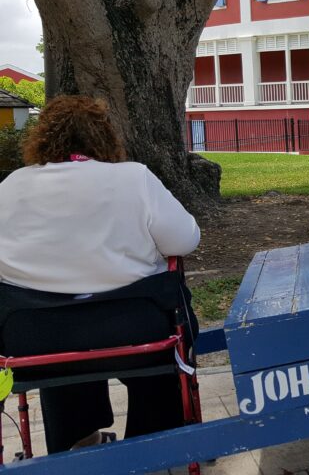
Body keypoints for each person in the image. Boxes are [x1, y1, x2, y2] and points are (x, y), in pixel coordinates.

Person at [0, 96, 200, 453]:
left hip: (35, 340)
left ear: (43, 138)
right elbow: (184, 240)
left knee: (64, 354)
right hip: (138, 333)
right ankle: (151, 441)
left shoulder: (12, 186)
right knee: (158, 344)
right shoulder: (133, 178)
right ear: (104, 137)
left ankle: (77, 441)